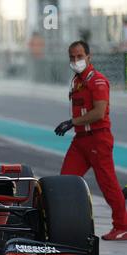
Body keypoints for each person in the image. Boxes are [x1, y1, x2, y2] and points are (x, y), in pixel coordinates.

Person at [55, 40, 127, 241]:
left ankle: (122, 225)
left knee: (107, 183)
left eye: (79, 56)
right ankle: (67, 224)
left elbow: (99, 112)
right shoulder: (77, 80)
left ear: (89, 57)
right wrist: (74, 125)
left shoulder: (98, 81)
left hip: (98, 138)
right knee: (65, 182)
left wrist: (71, 122)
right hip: (81, 140)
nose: (75, 60)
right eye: (72, 57)